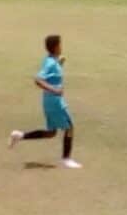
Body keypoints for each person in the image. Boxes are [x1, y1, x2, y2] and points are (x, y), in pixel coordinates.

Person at [8, 35, 81, 168]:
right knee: (70, 127)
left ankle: (19, 136)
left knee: (51, 133)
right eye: (60, 45)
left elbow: (52, 73)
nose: (61, 47)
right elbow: (38, 80)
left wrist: (60, 63)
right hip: (55, 101)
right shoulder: (50, 63)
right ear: (55, 47)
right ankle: (66, 159)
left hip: (50, 100)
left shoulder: (52, 61)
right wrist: (54, 90)